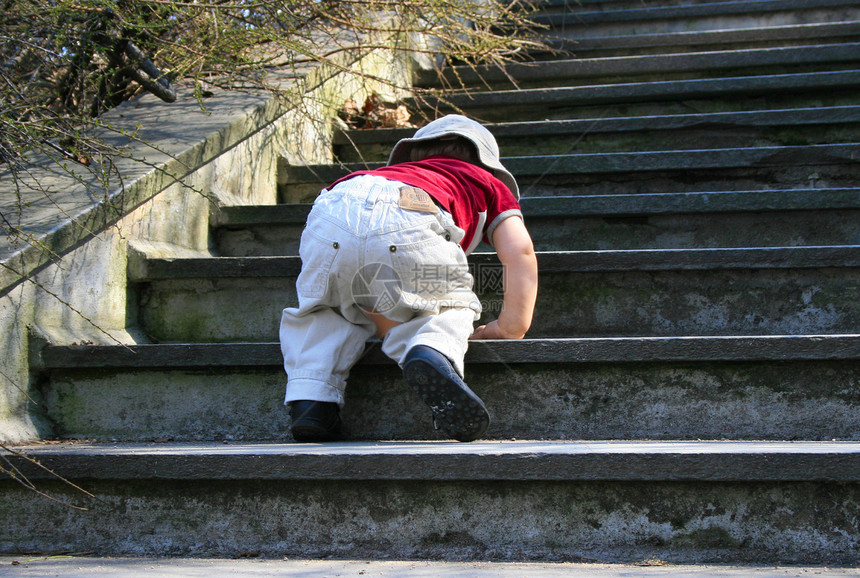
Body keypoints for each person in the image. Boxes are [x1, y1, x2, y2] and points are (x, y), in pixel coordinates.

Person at [279, 114, 538, 442]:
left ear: (415, 154)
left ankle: (312, 402)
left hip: (335, 203)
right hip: (415, 214)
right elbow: (520, 252)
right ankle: (431, 347)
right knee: (446, 306)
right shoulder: (485, 181)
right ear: (486, 164)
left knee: (326, 310)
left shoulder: (388, 172)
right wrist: (511, 326)